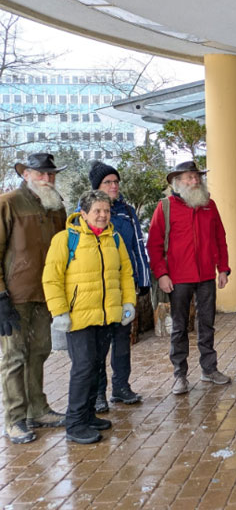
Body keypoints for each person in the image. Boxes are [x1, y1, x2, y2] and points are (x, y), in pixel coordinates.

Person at [42, 190, 136, 444]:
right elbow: (51, 278)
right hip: (78, 317)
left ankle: (88, 415)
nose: (103, 215)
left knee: (95, 366)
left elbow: (125, 273)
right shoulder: (65, 239)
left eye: (106, 210)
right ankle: (74, 423)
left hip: (106, 316)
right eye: (97, 211)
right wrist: (59, 311)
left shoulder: (113, 238)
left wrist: (128, 302)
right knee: (83, 369)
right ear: (83, 213)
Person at [147, 161, 232, 395]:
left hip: (206, 274)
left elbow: (220, 238)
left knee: (207, 324)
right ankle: (180, 375)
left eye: (197, 177)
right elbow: (154, 245)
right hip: (178, 277)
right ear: (177, 182)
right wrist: (162, 274)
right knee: (179, 327)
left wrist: (223, 269)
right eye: (189, 177)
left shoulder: (209, 205)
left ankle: (209, 369)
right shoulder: (165, 207)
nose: (195, 181)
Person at [0, 153, 68, 444]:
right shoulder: (8, 203)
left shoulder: (56, 207)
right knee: (13, 357)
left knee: (39, 351)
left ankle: (37, 410)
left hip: (45, 294)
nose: (47, 178)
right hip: (14, 295)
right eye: (41, 173)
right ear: (26, 174)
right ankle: (15, 419)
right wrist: (0, 296)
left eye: (51, 174)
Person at [87, 162, 150, 412]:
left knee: (123, 340)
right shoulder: (87, 211)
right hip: (99, 290)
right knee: (99, 344)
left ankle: (121, 387)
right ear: (97, 187)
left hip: (124, 287)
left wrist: (143, 279)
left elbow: (138, 245)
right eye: (108, 182)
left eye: (116, 181)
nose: (114, 186)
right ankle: (98, 393)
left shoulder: (127, 211)